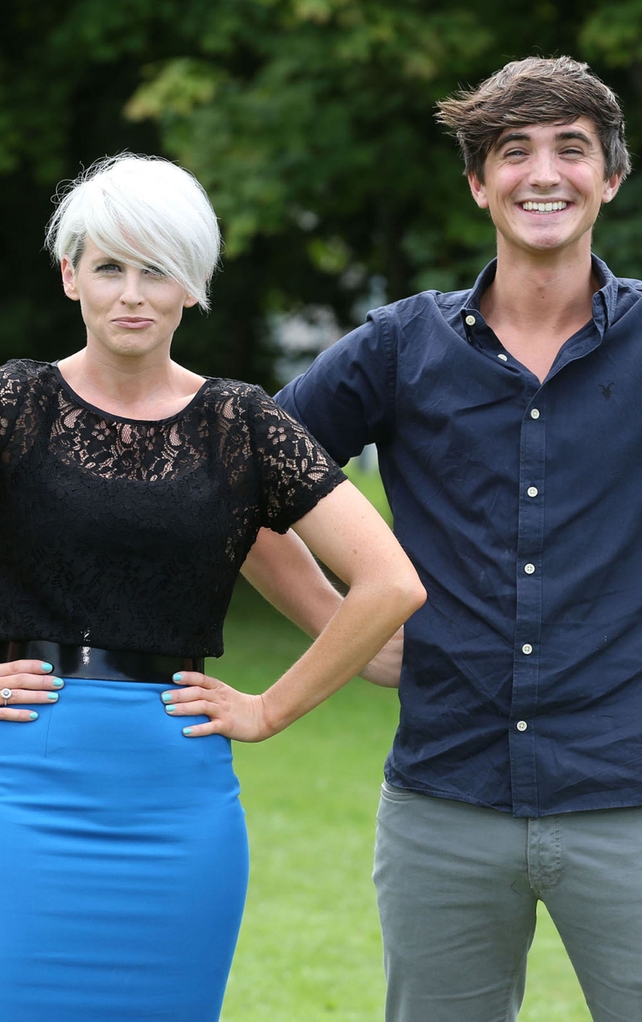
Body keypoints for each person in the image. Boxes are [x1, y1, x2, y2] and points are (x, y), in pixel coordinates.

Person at [243, 55, 642, 1021]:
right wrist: (342, 625)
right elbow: (240, 485)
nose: (543, 173)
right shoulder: (399, 346)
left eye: (571, 150)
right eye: (514, 152)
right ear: (478, 184)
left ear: (612, 179)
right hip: (443, 805)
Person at [0, 153, 426, 1022]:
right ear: (69, 273)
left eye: (157, 270)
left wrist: (270, 709)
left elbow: (390, 583)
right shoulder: (14, 402)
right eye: (110, 266)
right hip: (20, 785)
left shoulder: (241, 423)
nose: (132, 293)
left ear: (192, 286)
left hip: (177, 799)